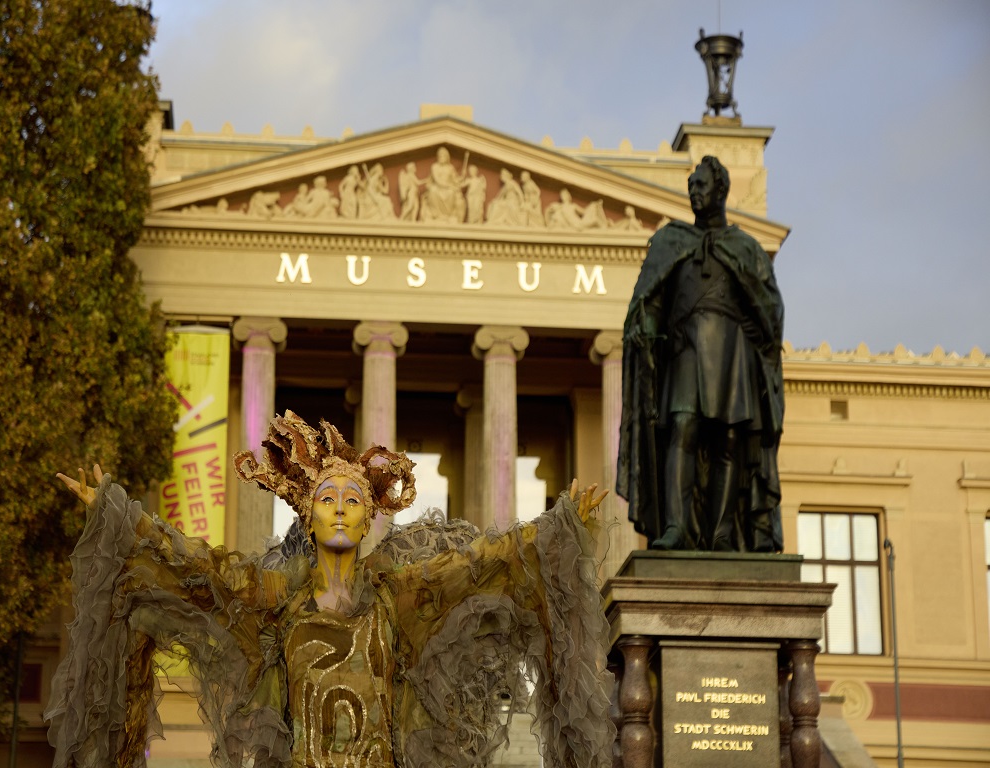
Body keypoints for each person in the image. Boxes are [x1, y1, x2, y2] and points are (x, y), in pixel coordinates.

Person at [47, 413, 614, 768]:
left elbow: (480, 567)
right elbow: (201, 573)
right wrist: (125, 522)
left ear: (369, 520)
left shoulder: (400, 597)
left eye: (352, 501)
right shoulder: (274, 599)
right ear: (309, 517)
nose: (340, 509)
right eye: (326, 499)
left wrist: (557, 530)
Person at [616, 156, 784, 553]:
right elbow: (649, 302)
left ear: (721, 191)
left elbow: (770, 311)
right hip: (686, 349)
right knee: (683, 428)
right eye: (691, 186)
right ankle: (675, 527)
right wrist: (646, 327)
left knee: (729, 439)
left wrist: (757, 330)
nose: (694, 192)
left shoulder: (745, 248)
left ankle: (722, 533)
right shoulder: (671, 242)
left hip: (732, 352)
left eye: (701, 186)